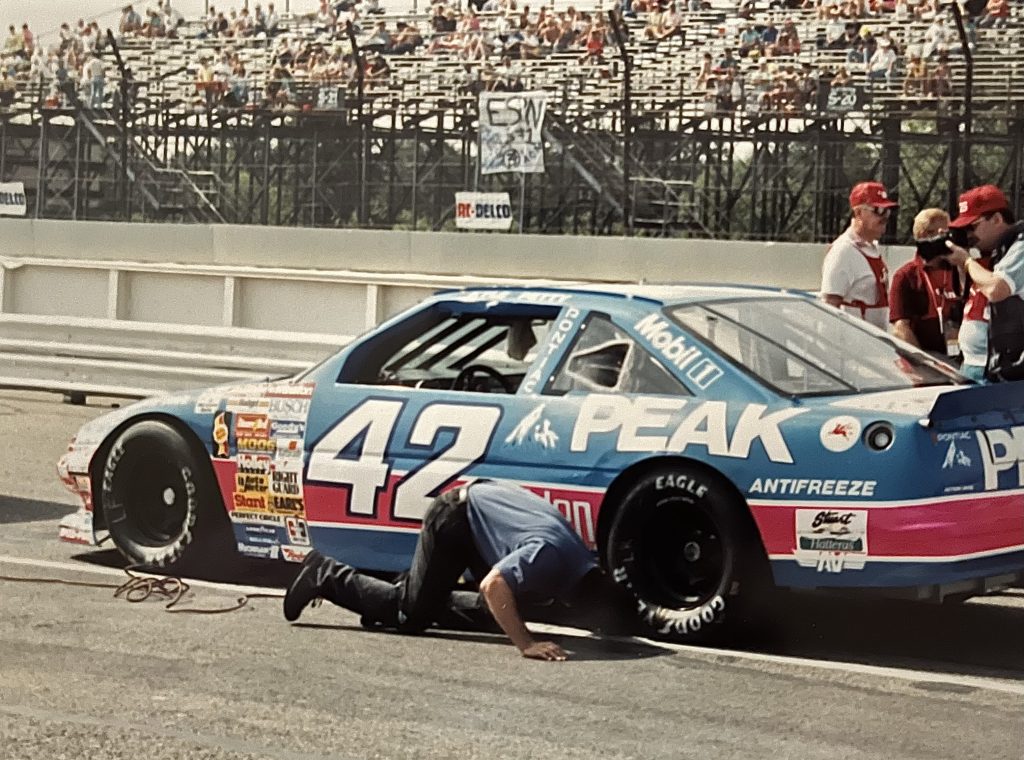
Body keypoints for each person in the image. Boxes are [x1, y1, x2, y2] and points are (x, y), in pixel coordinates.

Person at [283, 481, 612, 661]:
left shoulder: (579, 558)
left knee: (503, 610)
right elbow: (493, 585)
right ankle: (326, 575)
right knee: (411, 617)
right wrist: (527, 644)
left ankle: (398, 594)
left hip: (480, 516)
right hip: (455, 517)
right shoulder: (549, 557)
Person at [945, 185, 1024, 382]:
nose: (968, 235)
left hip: (1007, 373)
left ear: (997, 219)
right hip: (980, 365)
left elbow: (996, 289)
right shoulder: (1001, 251)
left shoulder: (1020, 246)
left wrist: (966, 261)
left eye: (972, 227)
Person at [821, 181, 897, 330]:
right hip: (850, 341)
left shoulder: (872, 249)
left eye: (887, 211)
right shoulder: (843, 251)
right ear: (858, 213)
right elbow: (829, 307)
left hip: (873, 340)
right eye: (878, 210)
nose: (885, 218)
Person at [888, 208, 962, 357]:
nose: (947, 238)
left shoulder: (958, 270)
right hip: (922, 358)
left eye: (947, 233)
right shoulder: (906, 276)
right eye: (941, 233)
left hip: (958, 355)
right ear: (923, 235)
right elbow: (901, 328)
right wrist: (924, 362)